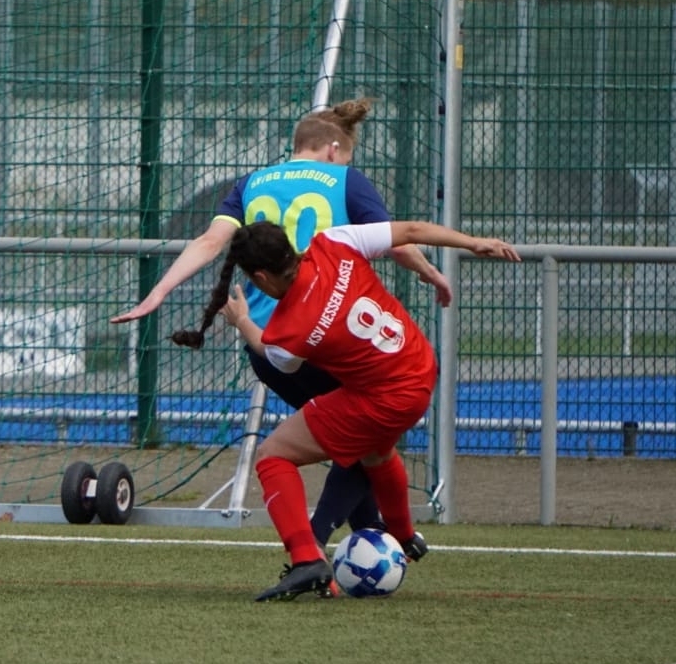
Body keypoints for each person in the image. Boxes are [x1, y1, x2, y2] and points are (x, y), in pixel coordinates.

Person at [111, 99, 452, 544]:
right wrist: (432, 274)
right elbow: (396, 242)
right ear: (333, 149)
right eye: (346, 156)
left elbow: (211, 242)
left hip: (268, 346)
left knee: (353, 442)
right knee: (367, 440)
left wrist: (159, 292)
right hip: (328, 340)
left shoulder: (251, 183)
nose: (345, 163)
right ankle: (324, 541)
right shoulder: (345, 180)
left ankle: (367, 536)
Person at [171, 218, 520, 601]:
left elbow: (266, 350)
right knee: (375, 451)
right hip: (419, 365)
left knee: (273, 456)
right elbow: (412, 232)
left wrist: (242, 320)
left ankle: (307, 559)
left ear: (261, 278)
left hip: (385, 397)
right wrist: (473, 242)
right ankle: (404, 536)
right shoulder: (334, 242)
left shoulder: (289, 331)